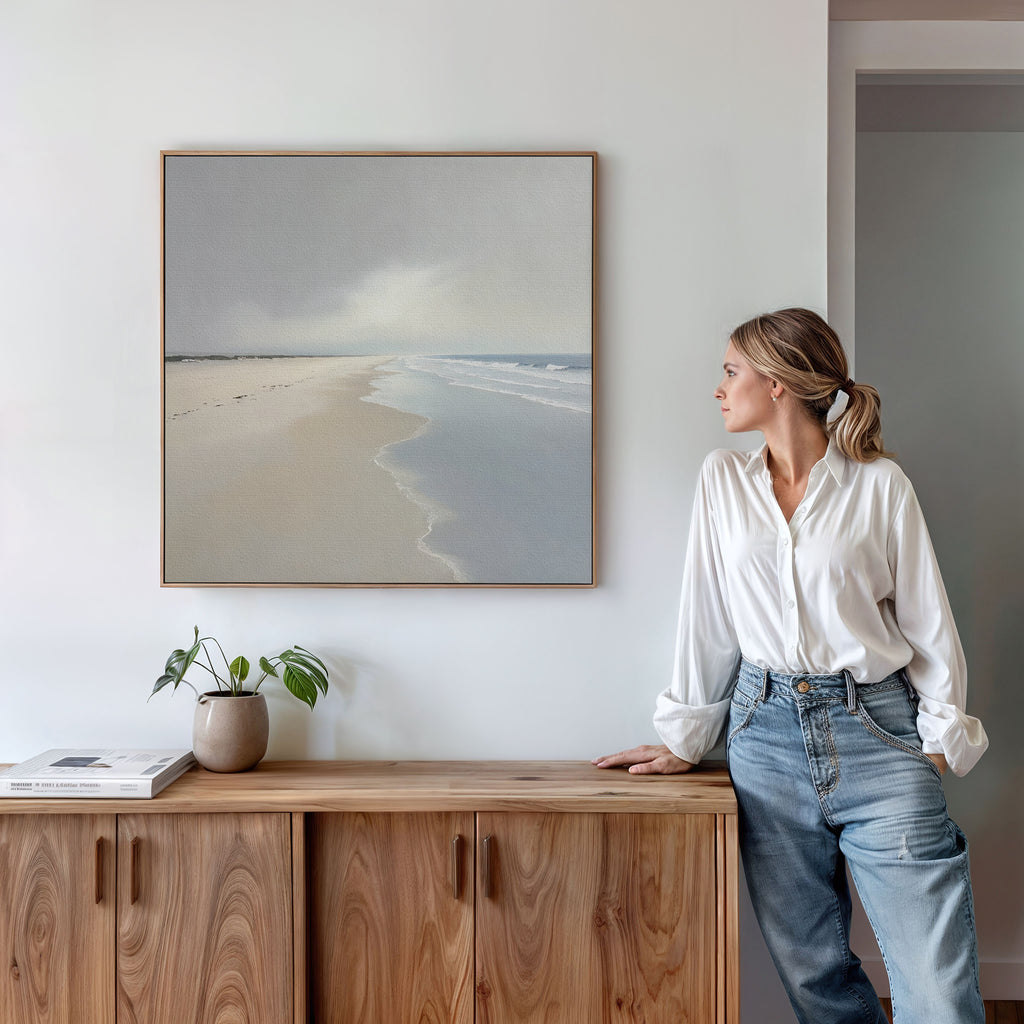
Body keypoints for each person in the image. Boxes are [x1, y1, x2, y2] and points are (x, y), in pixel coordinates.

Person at [594, 308, 988, 1024]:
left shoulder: (880, 486)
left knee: (937, 989)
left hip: (879, 730)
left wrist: (936, 741)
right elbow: (705, 617)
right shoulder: (722, 481)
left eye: (730, 371)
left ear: (777, 384)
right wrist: (687, 737)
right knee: (815, 979)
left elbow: (929, 622)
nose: (719, 388)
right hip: (763, 735)